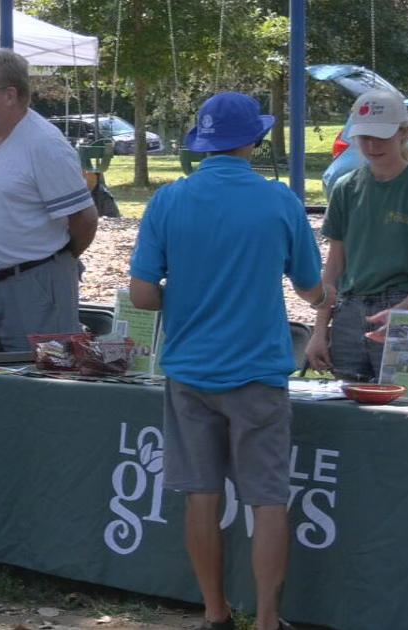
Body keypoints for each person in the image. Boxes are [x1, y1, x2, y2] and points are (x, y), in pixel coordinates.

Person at [128, 92, 327, 630]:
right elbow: (311, 289)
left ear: (201, 143)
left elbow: (143, 296)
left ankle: (214, 613)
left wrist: (190, 296)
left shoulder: (168, 201)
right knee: (267, 500)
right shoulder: (280, 201)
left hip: (189, 369)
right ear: (255, 140)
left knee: (201, 496)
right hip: (259, 371)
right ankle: (267, 619)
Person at [0, 49, 98, 352]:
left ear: (10, 95)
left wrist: (51, 266)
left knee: (36, 387)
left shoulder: (44, 144)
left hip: (33, 288)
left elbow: (84, 220)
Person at [305, 90, 408, 381]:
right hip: (349, 310)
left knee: (405, 407)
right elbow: (333, 268)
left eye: (381, 136)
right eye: (365, 137)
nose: (372, 145)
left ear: (403, 133)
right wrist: (319, 332)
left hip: (404, 303)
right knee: (346, 409)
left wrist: (401, 312)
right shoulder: (346, 188)